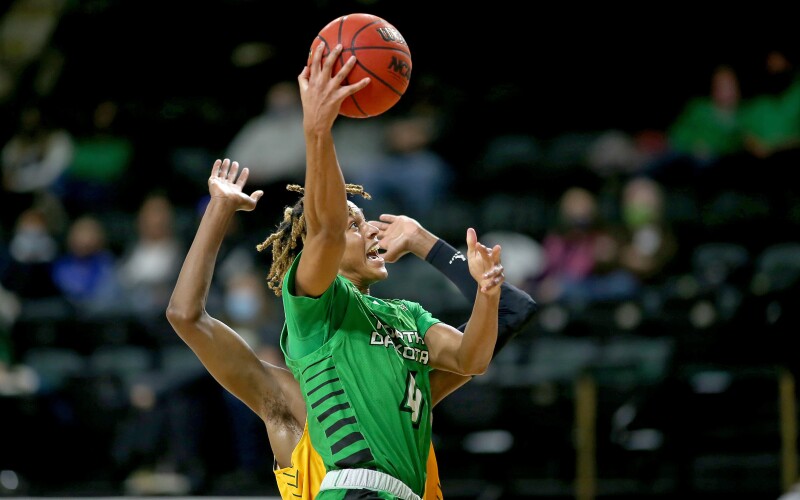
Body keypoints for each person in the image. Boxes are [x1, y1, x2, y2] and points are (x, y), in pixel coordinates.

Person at [166, 158, 536, 499]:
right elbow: (186, 316)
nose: (372, 229)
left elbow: (512, 310)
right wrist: (219, 208)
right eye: (354, 225)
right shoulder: (285, 397)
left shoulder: (404, 360)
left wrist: (421, 240)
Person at [256, 43, 506, 499]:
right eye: (356, 224)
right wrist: (318, 130)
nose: (371, 228)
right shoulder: (317, 307)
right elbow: (326, 229)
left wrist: (487, 295)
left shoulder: (408, 314)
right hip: (355, 488)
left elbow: (472, 360)